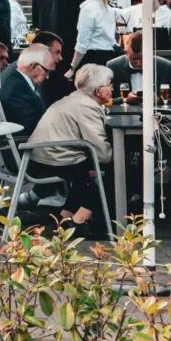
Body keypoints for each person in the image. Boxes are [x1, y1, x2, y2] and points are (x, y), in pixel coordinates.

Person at [27, 64, 114, 237]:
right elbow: (102, 154)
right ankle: (78, 222)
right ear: (98, 91)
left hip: (42, 155)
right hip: (54, 160)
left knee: (86, 172)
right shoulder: (87, 107)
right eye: (109, 84)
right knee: (114, 173)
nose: (112, 88)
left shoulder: (75, 99)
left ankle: (65, 218)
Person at [72, 0, 120, 75]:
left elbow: (82, 43)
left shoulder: (88, 9)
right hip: (109, 57)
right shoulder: (109, 9)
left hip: (92, 59)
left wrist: (72, 67)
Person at [0, 43, 50, 136]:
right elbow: (27, 129)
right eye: (46, 71)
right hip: (28, 146)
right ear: (33, 66)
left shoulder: (19, 83)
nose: (47, 76)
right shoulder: (16, 91)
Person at [108, 29, 171, 99]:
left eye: (143, 58)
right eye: (134, 59)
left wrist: (159, 100)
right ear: (126, 53)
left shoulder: (166, 67)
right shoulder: (113, 67)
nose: (139, 63)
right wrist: (125, 99)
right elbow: (106, 99)